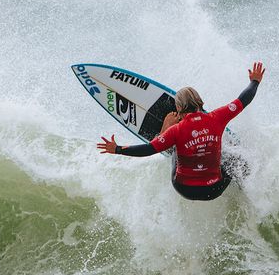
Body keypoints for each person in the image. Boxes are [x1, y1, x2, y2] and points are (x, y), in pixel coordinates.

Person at [97, 62, 265, 201]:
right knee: (233, 157)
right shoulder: (218, 118)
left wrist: (117, 149)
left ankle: (164, 136)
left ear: (178, 107)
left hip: (185, 189)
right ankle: (248, 190)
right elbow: (244, 99)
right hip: (214, 189)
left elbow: (148, 149)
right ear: (200, 102)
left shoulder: (176, 131)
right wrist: (254, 81)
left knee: (176, 146)